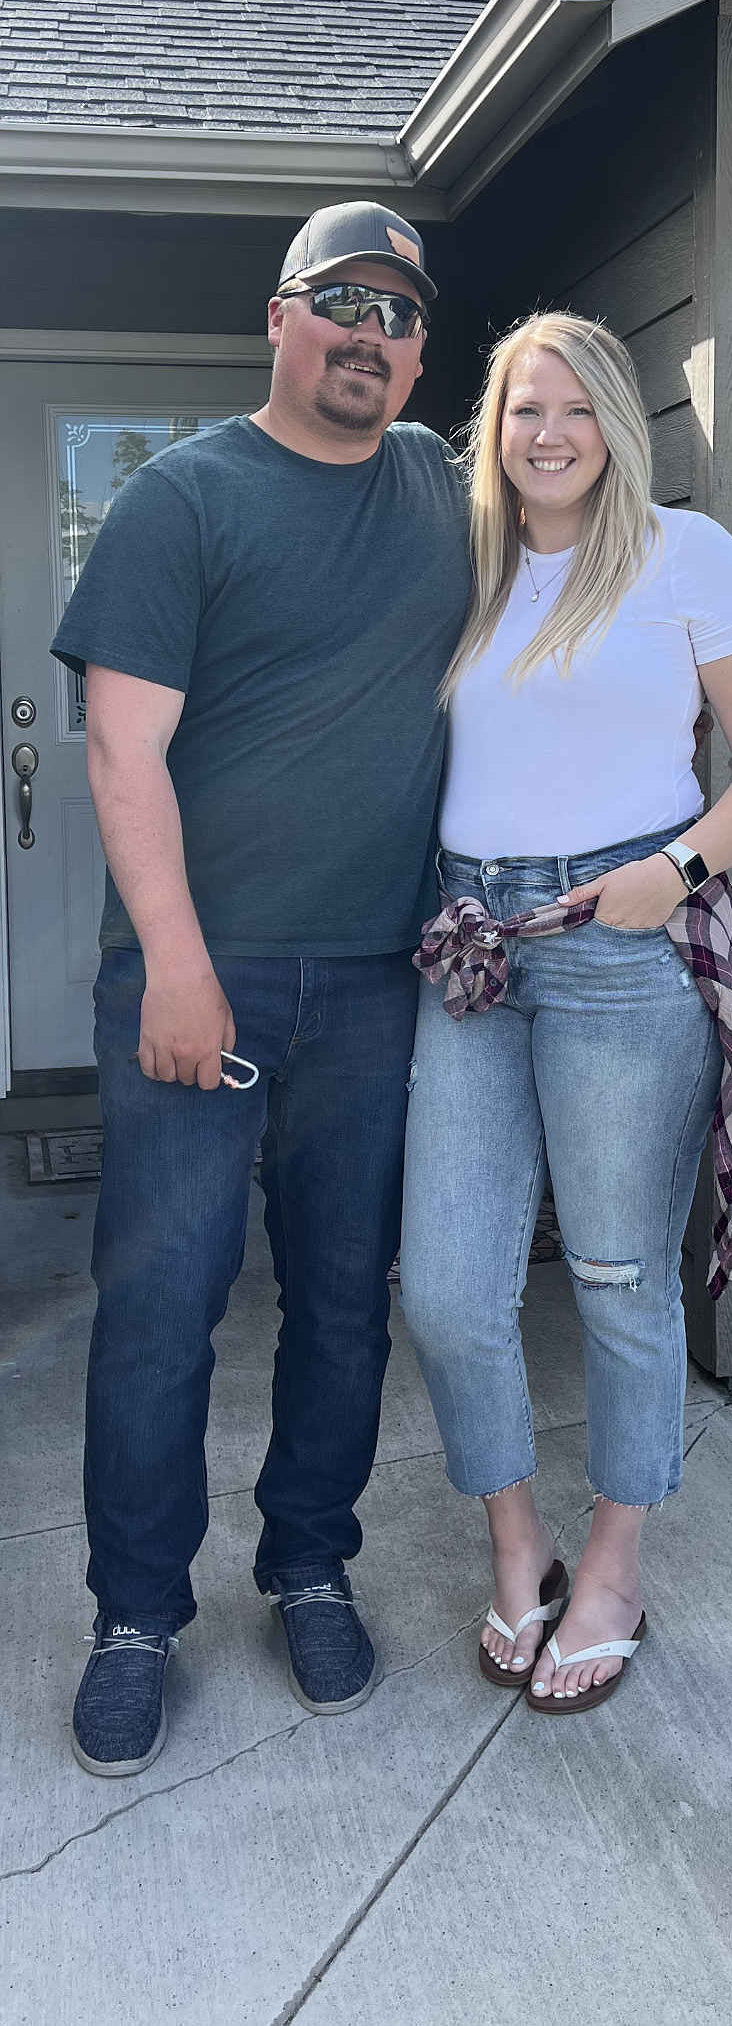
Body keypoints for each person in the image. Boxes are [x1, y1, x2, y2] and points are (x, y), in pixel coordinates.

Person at [51, 201, 470, 1778]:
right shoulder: (182, 497)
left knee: (343, 1309)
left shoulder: (448, 485)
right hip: (193, 982)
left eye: (400, 314)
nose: (369, 333)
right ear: (278, 320)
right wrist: (173, 960)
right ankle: (136, 1615)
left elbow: (588, 533)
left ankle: (308, 1565)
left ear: (422, 351)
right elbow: (121, 748)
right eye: (340, 301)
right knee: (161, 1314)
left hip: (375, 983)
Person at [398, 312, 732, 1712]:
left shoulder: (685, 558)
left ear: (618, 425)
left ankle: (616, 1563)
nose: (549, 432)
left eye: (576, 408)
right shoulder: (467, 565)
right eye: (524, 408)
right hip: (473, 946)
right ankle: (514, 1544)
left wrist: (676, 868)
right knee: (454, 1290)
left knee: (617, 1278)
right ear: (494, 428)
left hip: (618, 945)